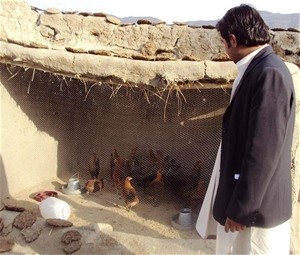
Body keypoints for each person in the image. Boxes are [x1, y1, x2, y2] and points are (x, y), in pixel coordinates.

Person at [196, 4, 295, 254]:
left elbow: (263, 151)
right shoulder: (258, 68)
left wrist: (241, 209)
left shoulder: (268, 73)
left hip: (254, 212)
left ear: (232, 39)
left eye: (224, 43)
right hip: (248, 204)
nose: (225, 50)